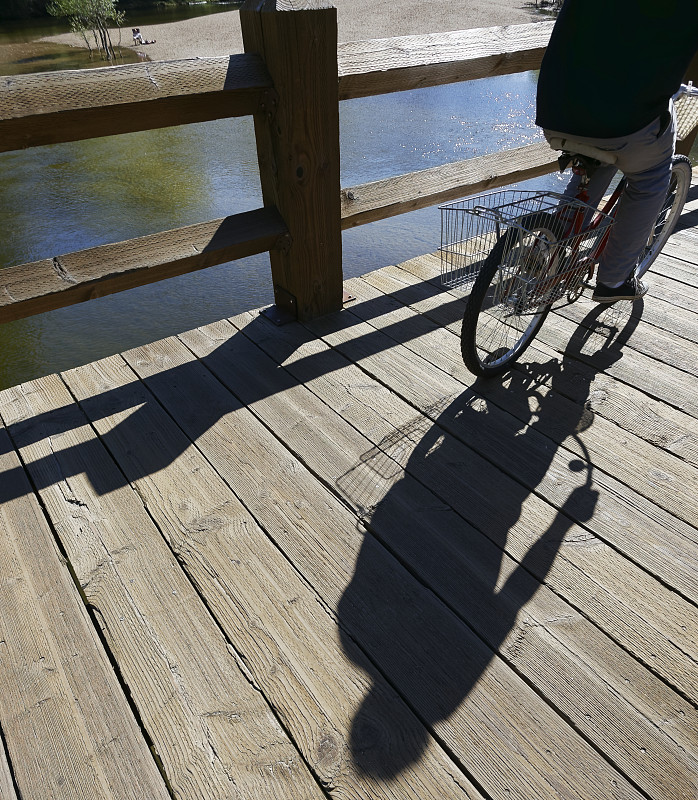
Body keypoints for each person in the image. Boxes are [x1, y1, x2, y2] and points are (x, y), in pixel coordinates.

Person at [536, 0, 698, 302]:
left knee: (598, 155)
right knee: (650, 177)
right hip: (625, 119)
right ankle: (614, 280)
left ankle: (549, 248)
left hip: (556, 106)